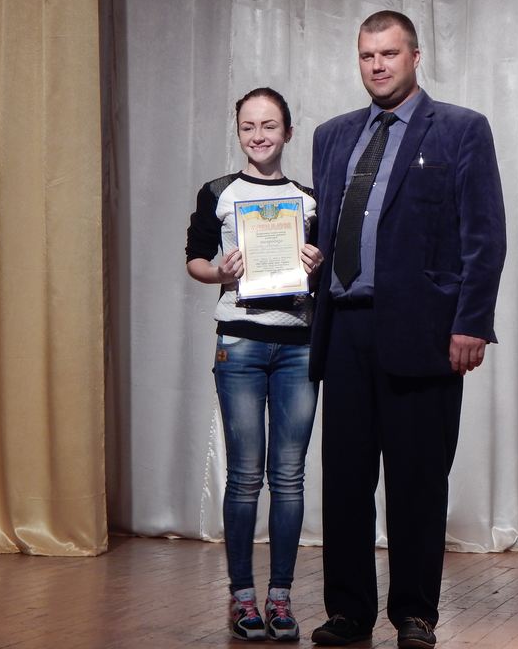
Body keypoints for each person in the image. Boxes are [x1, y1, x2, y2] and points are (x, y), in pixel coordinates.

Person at [308, 11, 507, 649]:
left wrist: (471, 322)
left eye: (389, 54)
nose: (377, 65)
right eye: (367, 55)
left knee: (418, 480)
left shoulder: (461, 129)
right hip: (344, 329)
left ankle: (416, 614)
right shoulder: (332, 136)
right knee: (344, 480)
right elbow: (326, 228)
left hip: (424, 331)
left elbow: (484, 236)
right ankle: (348, 611)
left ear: (415, 57)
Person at [186, 87, 324, 642]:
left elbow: (325, 272)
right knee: (245, 476)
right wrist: (220, 272)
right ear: (238, 131)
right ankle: (242, 596)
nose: (258, 135)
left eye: (269, 126)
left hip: (299, 347)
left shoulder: (308, 200)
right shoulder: (219, 192)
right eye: (248, 126)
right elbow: (195, 260)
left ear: (288, 131)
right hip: (239, 345)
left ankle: (281, 598)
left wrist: (316, 262)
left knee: (288, 477)